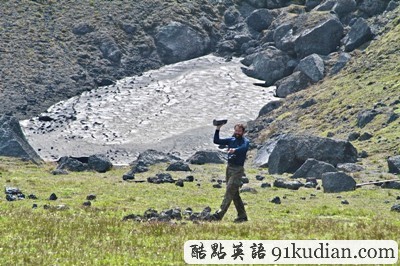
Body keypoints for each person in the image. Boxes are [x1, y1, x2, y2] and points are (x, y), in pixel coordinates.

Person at [211, 122, 250, 223]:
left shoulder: (245, 141)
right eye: (236, 130)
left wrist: (235, 150)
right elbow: (216, 141)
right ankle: (242, 216)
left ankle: (218, 215)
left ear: (243, 132)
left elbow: (244, 148)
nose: (237, 132)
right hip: (229, 168)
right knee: (234, 193)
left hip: (238, 170)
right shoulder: (231, 140)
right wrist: (218, 128)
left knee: (229, 191)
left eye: (239, 131)